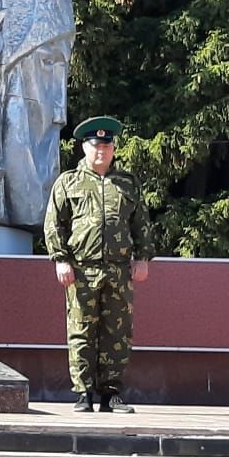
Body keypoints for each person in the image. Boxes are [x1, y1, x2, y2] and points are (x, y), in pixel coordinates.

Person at [43, 116, 153, 413]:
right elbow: (54, 224)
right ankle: (83, 393)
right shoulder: (68, 182)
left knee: (117, 332)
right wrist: (60, 259)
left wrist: (142, 258)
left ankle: (111, 393)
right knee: (81, 330)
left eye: (106, 145)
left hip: (118, 269)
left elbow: (141, 222)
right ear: (84, 148)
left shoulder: (127, 183)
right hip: (81, 269)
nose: (101, 150)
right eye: (95, 145)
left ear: (113, 148)